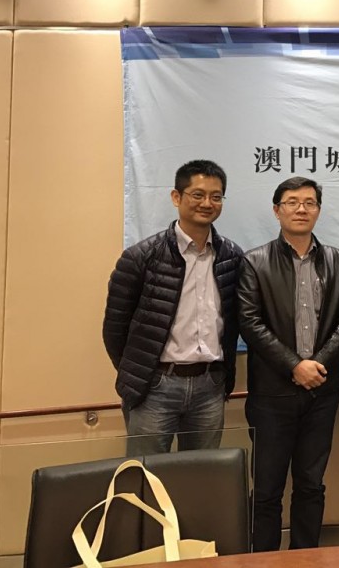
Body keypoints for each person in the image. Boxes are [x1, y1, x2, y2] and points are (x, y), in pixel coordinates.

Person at [237, 177, 339, 550]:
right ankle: (263, 559)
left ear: (319, 210)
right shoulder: (254, 261)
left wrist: (318, 364)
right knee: (267, 490)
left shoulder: (338, 260)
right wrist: (294, 365)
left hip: (321, 394)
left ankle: (306, 558)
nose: (301, 209)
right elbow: (249, 321)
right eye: (292, 202)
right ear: (277, 210)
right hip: (272, 395)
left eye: (309, 202)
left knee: (311, 485)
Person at [103, 160, 243, 456]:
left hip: (210, 387)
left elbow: (234, 322)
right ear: (176, 197)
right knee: (146, 481)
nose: (207, 203)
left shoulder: (232, 257)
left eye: (216, 197)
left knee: (201, 478)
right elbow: (114, 329)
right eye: (197, 194)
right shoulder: (140, 257)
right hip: (155, 388)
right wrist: (143, 375)